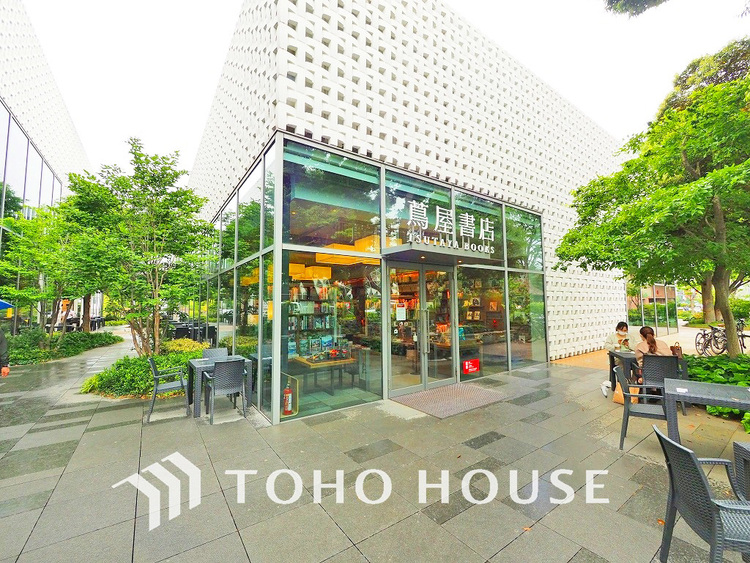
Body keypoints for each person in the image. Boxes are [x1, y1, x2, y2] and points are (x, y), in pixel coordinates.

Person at [601, 322, 635, 397]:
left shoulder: (630, 337)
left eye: (625, 330)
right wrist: (616, 346)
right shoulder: (612, 337)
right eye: (621, 330)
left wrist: (628, 345)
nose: (623, 332)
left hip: (629, 357)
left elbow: (635, 347)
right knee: (621, 364)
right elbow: (607, 345)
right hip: (617, 358)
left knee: (636, 365)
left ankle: (632, 384)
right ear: (617, 329)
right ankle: (623, 385)